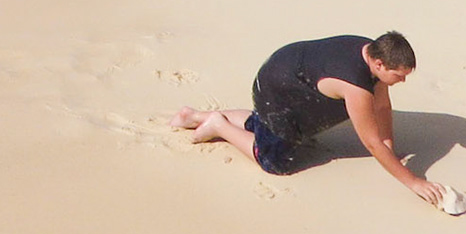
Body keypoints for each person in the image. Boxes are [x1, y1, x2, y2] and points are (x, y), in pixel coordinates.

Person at [170, 31, 445, 203]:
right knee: (275, 162)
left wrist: (390, 149)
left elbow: (382, 108)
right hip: (276, 88)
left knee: (272, 124)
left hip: (287, 72)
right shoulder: (355, 85)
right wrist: (413, 181)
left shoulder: (371, 51)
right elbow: (371, 142)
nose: (402, 81)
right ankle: (218, 125)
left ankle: (194, 116)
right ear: (380, 63)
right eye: (398, 75)